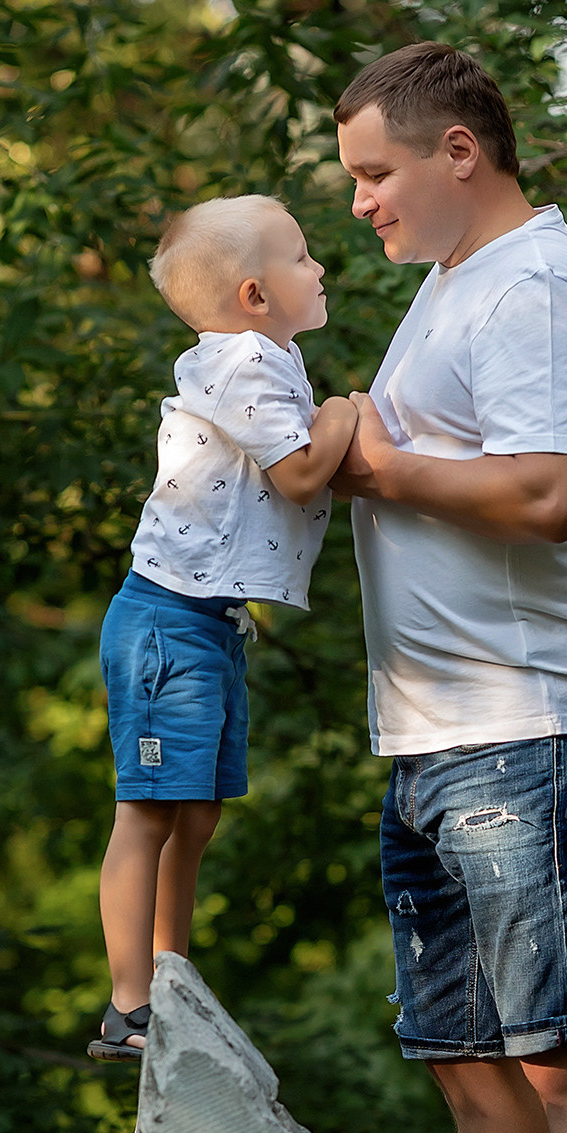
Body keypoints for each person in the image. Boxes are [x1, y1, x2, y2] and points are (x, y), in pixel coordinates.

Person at [331, 42, 567, 1133]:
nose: (358, 201)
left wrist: (373, 468)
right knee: (466, 1059)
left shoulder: (535, 286)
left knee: (557, 1056)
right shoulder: (455, 281)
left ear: (457, 151)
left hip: (533, 723)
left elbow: (541, 493)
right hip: (437, 732)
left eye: (375, 172)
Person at [90, 195, 358, 1060]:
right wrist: (351, 412)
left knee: (195, 814)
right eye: (304, 256)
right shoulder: (241, 364)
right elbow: (304, 474)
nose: (319, 269)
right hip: (166, 624)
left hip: (206, 623)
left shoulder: (266, 358)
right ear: (254, 294)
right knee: (149, 811)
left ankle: (173, 976)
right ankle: (130, 1007)